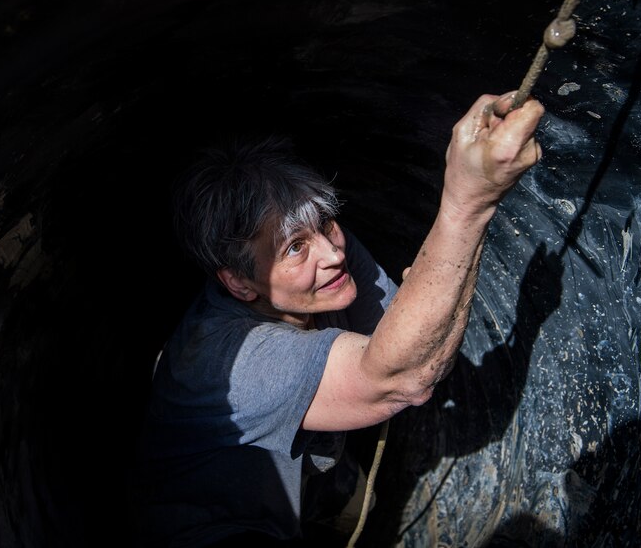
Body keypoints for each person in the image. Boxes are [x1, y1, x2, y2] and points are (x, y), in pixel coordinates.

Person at [136, 91, 545, 547]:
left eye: (326, 222)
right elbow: (402, 375)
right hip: (218, 529)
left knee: (357, 512)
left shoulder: (327, 264)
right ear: (239, 283)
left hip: (310, 481)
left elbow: (416, 344)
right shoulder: (229, 361)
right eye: (294, 248)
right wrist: (467, 204)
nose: (333, 253)